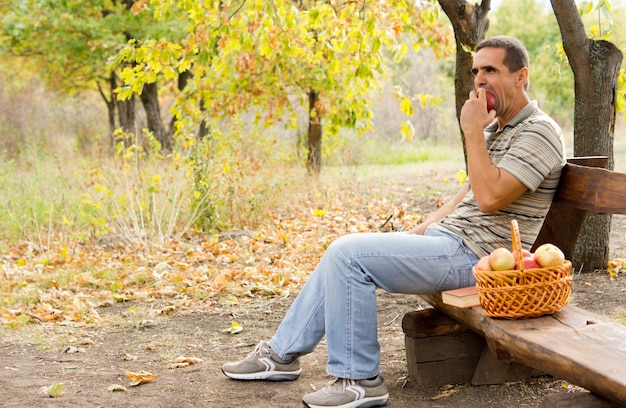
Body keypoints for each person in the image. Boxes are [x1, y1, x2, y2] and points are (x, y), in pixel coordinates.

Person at [221, 35, 566, 408]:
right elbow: (463, 197)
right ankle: (281, 353)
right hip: (448, 244)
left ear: (520, 76)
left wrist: (470, 133)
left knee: (349, 255)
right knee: (346, 251)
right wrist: (419, 230)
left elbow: (489, 198)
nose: (479, 80)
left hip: (479, 260)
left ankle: (359, 379)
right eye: (476, 71)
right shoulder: (495, 130)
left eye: (491, 70)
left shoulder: (540, 131)